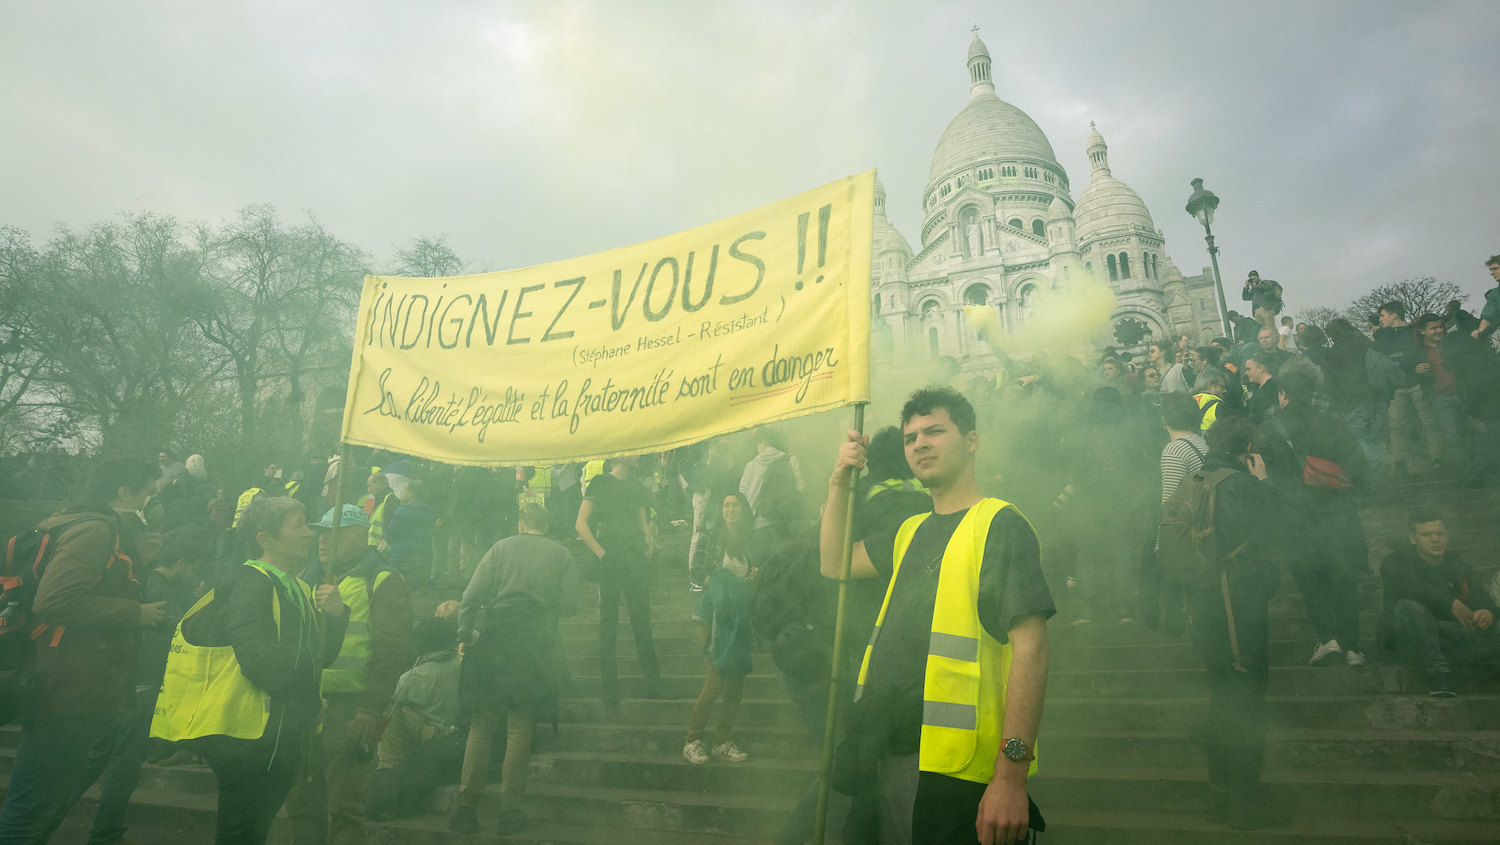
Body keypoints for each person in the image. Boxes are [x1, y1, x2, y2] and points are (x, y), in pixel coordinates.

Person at [820, 386, 1054, 845]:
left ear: (971, 440)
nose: (920, 444)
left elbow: (1033, 650)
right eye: (910, 438)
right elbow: (834, 562)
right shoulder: (911, 530)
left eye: (934, 431)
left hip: (958, 771)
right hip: (884, 753)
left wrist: (1010, 777)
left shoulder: (999, 523)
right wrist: (838, 482)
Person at [153, 496, 349, 845]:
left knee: (250, 832)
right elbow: (263, 665)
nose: (310, 534)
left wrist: (335, 615)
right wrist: (305, 698)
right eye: (298, 525)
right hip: (245, 738)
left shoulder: (298, 587)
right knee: (241, 833)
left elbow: (320, 659)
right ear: (265, 539)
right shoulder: (251, 582)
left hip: (277, 735)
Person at [0, 458, 165, 845]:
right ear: (124, 491)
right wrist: (135, 612)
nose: (151, 502)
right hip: (68, 688)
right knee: (31, 809)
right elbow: (55, 600)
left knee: (41, 802)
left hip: (67, 682)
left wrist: (141, 560)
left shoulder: (69, 521)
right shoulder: (95, 529)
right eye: (148, 492)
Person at [59, 526, 207, 845]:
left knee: (98, 755)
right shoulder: (160, 590)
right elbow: (169, 639)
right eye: (193, 568)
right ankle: (105, 832)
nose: (195, 575)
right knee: (125, 762)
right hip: (140, 686)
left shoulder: (146, 582)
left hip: (122, 682)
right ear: (180, 563)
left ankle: (47, 817)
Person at [286, 504, 413, 845]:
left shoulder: (383, 580)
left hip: (350, 712)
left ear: (359, 536)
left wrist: (369, 710)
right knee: (301, 806)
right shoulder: (303, 578)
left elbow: (392, 654)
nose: (322, 539)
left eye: (334, 532)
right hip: (305, 708)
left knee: (345, 810)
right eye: (321, 531)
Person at [1186, 416, 1289, 830]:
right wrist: (1263, 481)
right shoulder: (1240, 482)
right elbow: (1281, 527)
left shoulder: (1195, 478)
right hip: (1236, 606)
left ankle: (1221, 793)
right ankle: (1245, 803)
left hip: (1202, 603)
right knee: (1247, 699)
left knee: (1222, 694)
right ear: (1247, 448)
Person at [452, 505, 576, 836]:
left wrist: (464, 636)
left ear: (520, 524)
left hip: (496, 638)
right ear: (546, 526)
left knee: (481, 726)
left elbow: (470, 596)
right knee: (520, 728)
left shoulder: (500, 548)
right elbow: (572, 604)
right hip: (535, 644)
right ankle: (510, 810)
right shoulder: (561, 554)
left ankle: (466, 808)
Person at [1260, 371, 1371, 666]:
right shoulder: (1333, 423)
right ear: (1311, 393)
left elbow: (1266, 476)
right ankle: (1353, 648)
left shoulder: (1270, 429)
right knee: (1344, 582)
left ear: (1283, 394)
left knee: (1311, 582)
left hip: (1297, 518)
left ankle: (1328, 640)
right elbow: (1359, 464)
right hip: (1339, 516)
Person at [576, 455, 669, 708]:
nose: (638, 455)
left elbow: (642, 523)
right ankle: (610, 688)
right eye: (632, 452)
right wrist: (600, 553)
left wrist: (647, 546)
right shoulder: (600, 482)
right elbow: (580, 523)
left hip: (634, 557)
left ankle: (654, 683)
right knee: (609, 622)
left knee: (642, 622)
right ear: (618, 456)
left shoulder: (637, 486)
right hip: (610, 556)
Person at [1381, 512, 1500, 696]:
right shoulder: (1395, 561)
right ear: (1413, 538)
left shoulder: (1458, 564)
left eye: (1440, 534)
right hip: (1409, 637)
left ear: (1447, 536)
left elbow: (1482, 596)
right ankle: (1438, 674)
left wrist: (1488, 611)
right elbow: (1405, 585)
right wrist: (1450, 603)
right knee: (1410, 606)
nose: (1435, 539)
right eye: (1426, 534)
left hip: (1446, 635)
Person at [683, 492, 758, 766]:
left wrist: (751, 580)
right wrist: (723, 588)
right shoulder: (711, 537)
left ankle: (722, 742)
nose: (729, 510)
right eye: (725, 505)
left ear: (743, 509)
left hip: (739, 619)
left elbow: (754, 574)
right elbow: (696, 570)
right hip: (713, 616)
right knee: (714, 683)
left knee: (735, 686)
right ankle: (693, 741)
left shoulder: (750, 540)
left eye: (735, 505)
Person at [368, 616, 464, 821]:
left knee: (389, 712)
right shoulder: (463, 666)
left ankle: (387, 768)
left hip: (427, 739)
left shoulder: (413, 677)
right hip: (457, 741)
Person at [1374, 301, 1441, 476]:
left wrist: (1417, 367)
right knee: (1396, 425)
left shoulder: (1413, 332)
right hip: (1396, 387)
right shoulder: (1381, 335)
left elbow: (1421, 353)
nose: (1380, 319)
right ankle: (1402, 462)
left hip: (1417, 383)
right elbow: (1383, 360)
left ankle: (1437, 458)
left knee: (1429, 421)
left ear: (1394, 315)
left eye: (1382, 315)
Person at [1413, 313, 1467, 473]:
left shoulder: (1453, 344)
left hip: (1465, 394)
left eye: (1441, 327)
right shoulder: (1417, 352)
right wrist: (1415, 371)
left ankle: (1484, 470)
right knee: (1453, 438)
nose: (1439, 330)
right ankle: (1465, 475)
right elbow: (1405, 375)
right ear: (1422, 331)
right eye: (1434, 328)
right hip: (1441, 399)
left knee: (1475, 431)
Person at [739, 427, 806, 553]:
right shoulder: (789, 461)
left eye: (757, 442)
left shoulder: (751, 466)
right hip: (784, 526)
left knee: (761, 569)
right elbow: (801, 489)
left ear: (763, 441)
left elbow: (743, 496)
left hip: (759, 528)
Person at [385, 479, 437, 582]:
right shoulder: (429, 512)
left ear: (411, 494)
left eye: (405, 490)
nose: (402, 493)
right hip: (423, 558)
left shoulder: (403, 510)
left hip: (402, 558)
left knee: (399, 590)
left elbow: (391, 533)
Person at [1469, 255, 1500, 339]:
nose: (1491, 273)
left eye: (1495, 268)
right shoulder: (1495, 294)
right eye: (1491, 270)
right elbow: (1488, 317)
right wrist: (1480, 332)